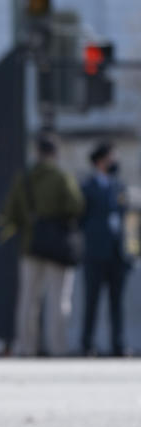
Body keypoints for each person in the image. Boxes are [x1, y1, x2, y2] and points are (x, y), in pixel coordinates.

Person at [2, 133, 84, 356]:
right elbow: (76, 205)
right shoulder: (61, 176)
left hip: (31, 245)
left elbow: (11, 213)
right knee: (58, 299)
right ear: (55, 153)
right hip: (58, 246)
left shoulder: (25, 178)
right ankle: (57, 348)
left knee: (28, 300)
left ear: (37, 152)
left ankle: (26, 347)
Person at [79, 141, 130, 356]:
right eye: (111, 157)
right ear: (100, 161)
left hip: (117, 252)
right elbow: (81, 217)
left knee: (117, 303)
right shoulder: (87, 186)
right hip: (95, 252)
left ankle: (117, 344)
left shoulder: (119, 186)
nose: (114, 162)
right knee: (91, 300)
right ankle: (87, 344)